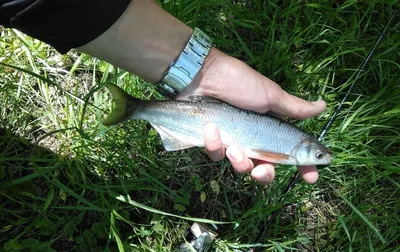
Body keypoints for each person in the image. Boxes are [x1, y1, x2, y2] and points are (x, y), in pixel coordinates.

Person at [0, 0, 326, 185]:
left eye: (319, 156)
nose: (320, 159)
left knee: (210, 140)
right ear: (306, 148)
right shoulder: (287, 152)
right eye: (319, 155)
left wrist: (206, 68)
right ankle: (135, 108)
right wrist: (205, 70)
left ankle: (135, 108)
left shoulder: (290, 146)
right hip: (210, 115)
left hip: (207, 115)